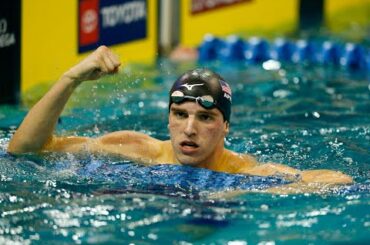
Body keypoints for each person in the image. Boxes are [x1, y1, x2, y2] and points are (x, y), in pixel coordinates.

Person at [8, 46, 352, 193]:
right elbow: (25, 150)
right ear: (168, 118)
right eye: (180, 115)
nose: (189, 129)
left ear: (226, 126)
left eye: (205, 117)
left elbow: (340, 181)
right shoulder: (137, 149)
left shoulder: (243, 173)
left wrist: (232, 192)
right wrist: (72, 78)